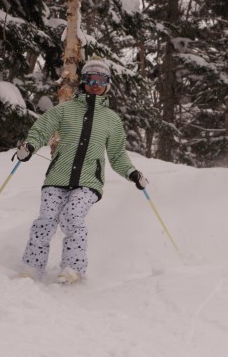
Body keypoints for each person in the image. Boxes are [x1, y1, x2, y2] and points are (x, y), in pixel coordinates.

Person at [15, 57, 148, 284]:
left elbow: (117, 154)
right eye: (91, 79)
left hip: (89, 180)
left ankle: (73, 269)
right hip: (57, 177)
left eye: (101, 79)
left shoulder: (112, 120)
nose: (96, 84)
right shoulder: (65, 110)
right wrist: (29, 146)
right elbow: (41, 128)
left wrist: (132, 173)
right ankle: (31, 267)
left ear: (107, 83)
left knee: (73, 217)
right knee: (46, 220)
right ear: (84, 81)